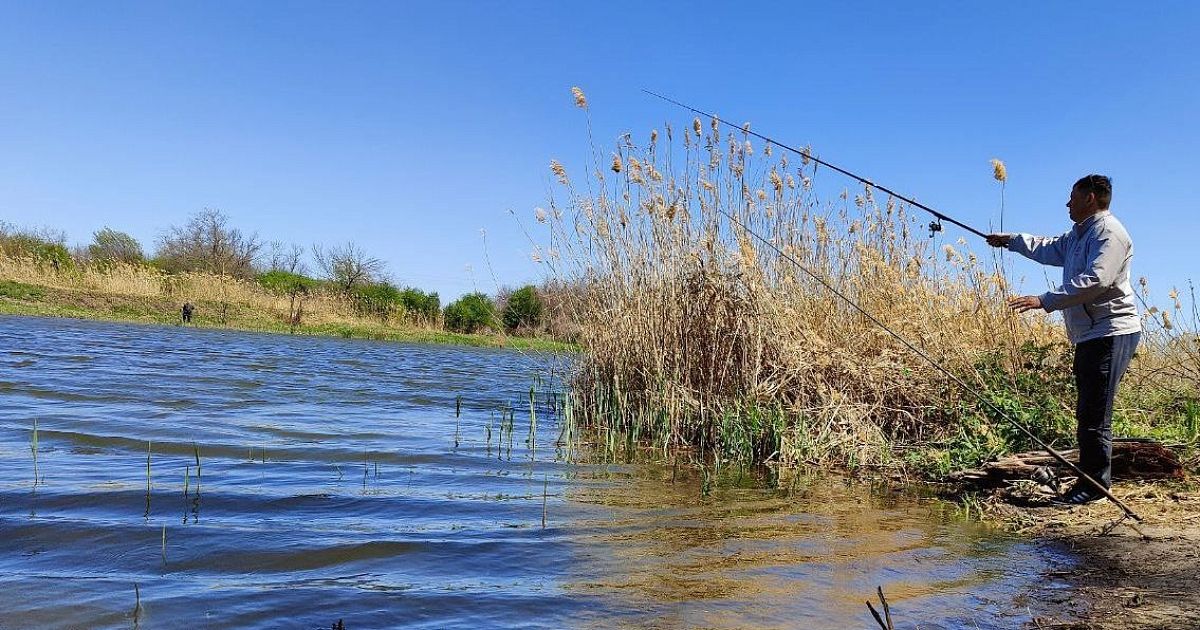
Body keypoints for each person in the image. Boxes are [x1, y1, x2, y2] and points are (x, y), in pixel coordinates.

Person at [986, 174, 1141, 505]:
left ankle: (1095, 488)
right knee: (1088, 412)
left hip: (1111, 331)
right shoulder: (1078, 235)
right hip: (1091, 334)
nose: (1067, 203)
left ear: (1090, 198)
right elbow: (1047, 247)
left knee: (1094, 414)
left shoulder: (1110, 233)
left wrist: (1044, 300)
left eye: (1072, 197)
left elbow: (1097, 280)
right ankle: (1090, 481)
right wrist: (1010, 240)